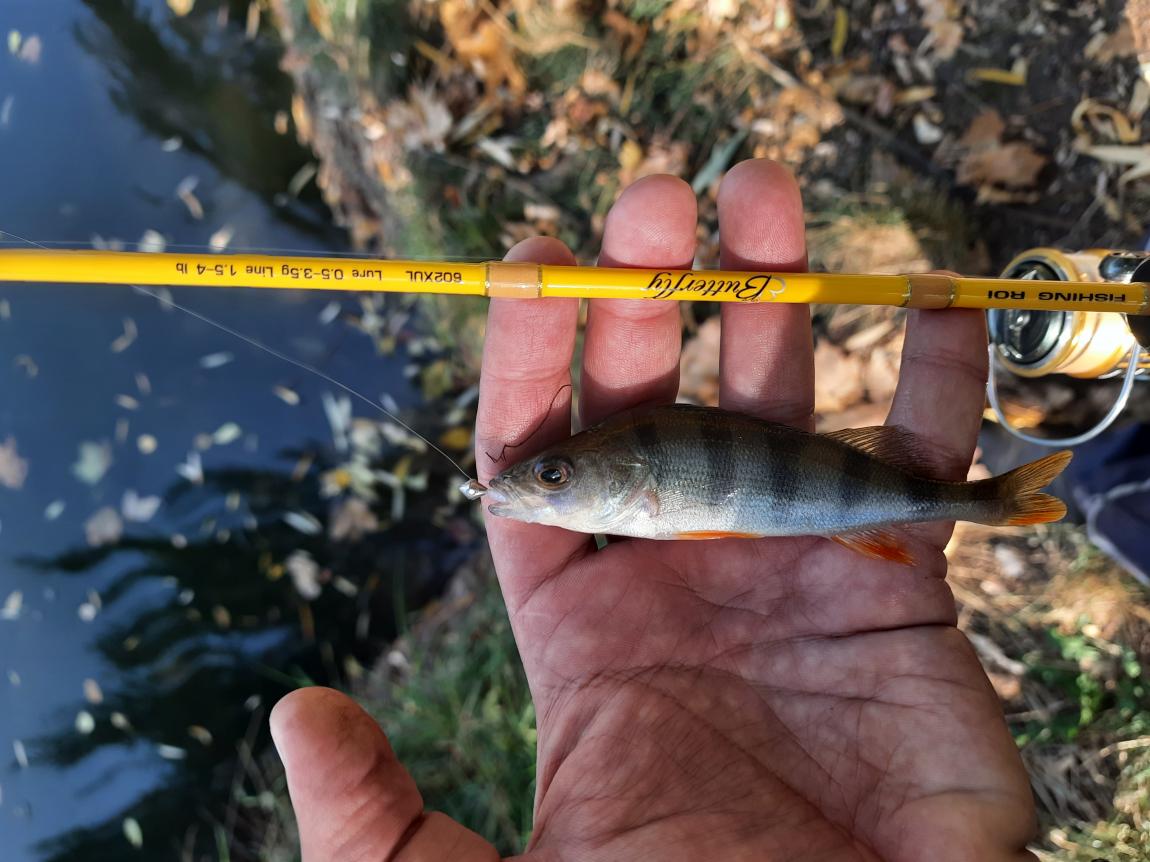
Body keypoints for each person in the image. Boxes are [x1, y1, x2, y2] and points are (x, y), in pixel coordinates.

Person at [269, 159, 1038, 861]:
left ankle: (989, 501)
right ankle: (992, 502)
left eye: (554, 475)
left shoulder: (641, 493)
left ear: (625, 477)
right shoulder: (622, 495)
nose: (537, 487)